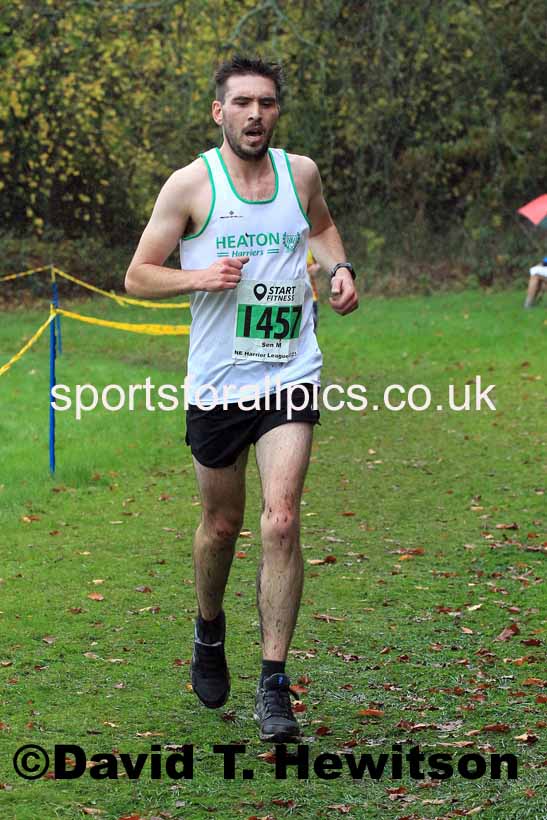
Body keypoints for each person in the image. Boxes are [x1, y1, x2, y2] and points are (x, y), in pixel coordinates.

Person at [125, 55, 358, 743]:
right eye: (242, 103)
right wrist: (196, 278)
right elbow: (138, 275)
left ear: (277, 110)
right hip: (218, 383)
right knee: (221, 526)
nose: (255, 114)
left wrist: (338, 268)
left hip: (289, 369)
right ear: (218, 112)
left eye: (267, 103)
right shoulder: (190, 185)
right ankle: (208, 627)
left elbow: (319, 227)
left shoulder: (301, 172)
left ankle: (273, 684)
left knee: (280, 519)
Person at [307, 248, 321, 330]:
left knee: (312, 330)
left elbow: (320, 263)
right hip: (291, 297)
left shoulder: (310, 247)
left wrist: (316, 267)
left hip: (312, 297)